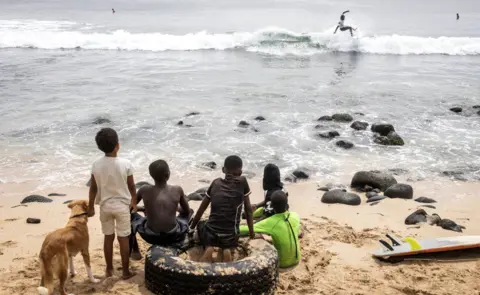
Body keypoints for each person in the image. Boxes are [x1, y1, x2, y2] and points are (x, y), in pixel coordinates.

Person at [87, 128, 137, 280]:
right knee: (123, 239)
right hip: (122, 207)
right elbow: (132, 186)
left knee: (108, 237)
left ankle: (109, 269)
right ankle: (126, 272)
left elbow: (93, 188)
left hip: (105, 206)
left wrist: (90, 207)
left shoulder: (96, 165)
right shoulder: (126, 164)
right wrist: (134, 201)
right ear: (118, 145)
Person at [190, 155, 255, 262]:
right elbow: (248, 211)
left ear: (223, 169)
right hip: (231, 236)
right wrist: (252, 234)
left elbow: (201, 209)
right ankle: (226, 249)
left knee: (202, 225)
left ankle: (209, 247)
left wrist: (192, 228)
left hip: (211, 234)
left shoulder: (216, 182)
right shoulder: (243, 182)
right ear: (240, 172)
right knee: (229, 235)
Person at [130, 160, 193, 250]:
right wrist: (176, 208)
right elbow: (186, 211)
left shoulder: (144, 189)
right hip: (173, 235)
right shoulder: (177, 189)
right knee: (190, 211)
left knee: (130, 215)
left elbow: (131, 207)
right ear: (167, 174)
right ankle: (185, 237)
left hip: (150, 236)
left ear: (151, 175)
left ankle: (135, 250)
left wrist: (144, 209)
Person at [239, 190, 301, 268]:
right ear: (287, 204)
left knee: (259, 236)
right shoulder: (295, 216)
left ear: (272, 206)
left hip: (282, 265)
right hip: (297, 259)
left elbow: (246, 229)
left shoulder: (271, 222)